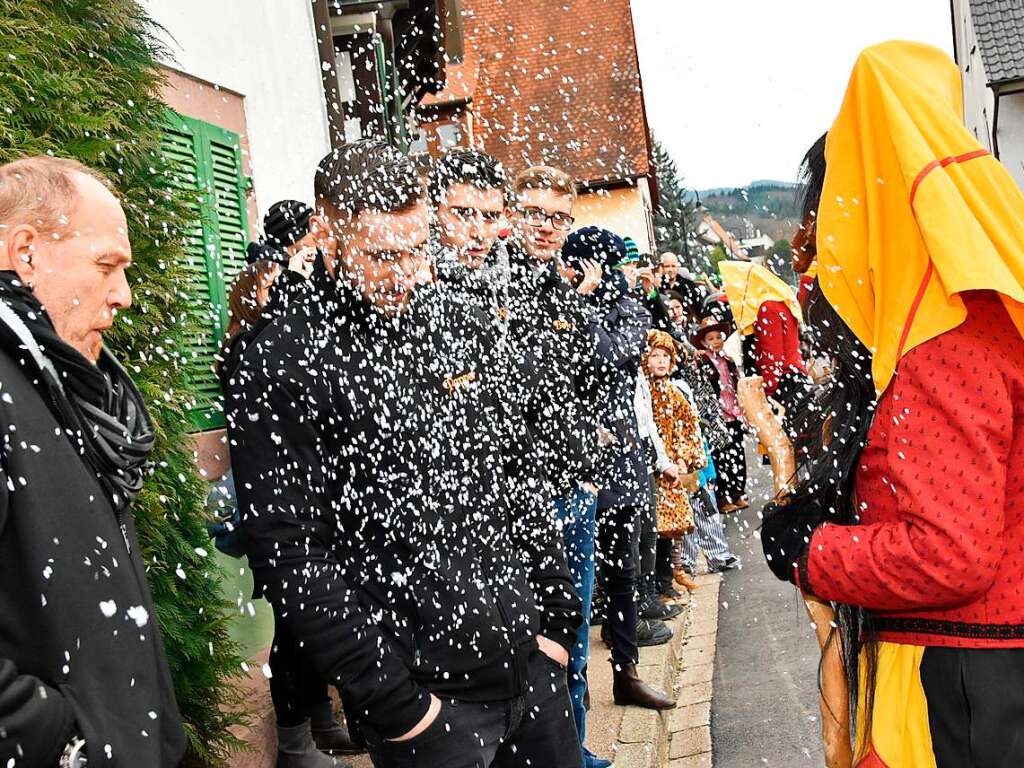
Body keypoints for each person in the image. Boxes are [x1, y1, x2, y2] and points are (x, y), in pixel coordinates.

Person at [225, 140, 582, 768]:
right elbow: (289, 548)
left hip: (529, 670)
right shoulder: (283, 358)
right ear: (328, 239)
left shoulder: (453, 319)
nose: (410, 273)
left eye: (419, 249)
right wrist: (397, 707)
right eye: (385, 255)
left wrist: (553, 624)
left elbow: (515, 472)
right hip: (429, 706)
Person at [760, 41, 1024, 767]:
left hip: (958, 692)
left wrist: (812, 550)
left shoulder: (943, 339)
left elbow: (948, 557)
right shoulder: (986, 305)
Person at [0, 156, 185, 767]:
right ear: (25, 251)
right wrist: (62, 737)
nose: (123, 296)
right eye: (107, 266)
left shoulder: (54, 382)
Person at [219, 260, 356, 768]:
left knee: (304, 633)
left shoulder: (293, 340)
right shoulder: (254, 349)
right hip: (274, 509)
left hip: (302, 505)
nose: (290, 287)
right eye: (276, 282)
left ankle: (319, 723)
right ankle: (297, 744)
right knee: (294, 632)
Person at [503, 164, 609, 768]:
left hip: (571, 485)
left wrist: (587, 460)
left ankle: (578, 746)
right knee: (546, 639)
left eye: (558, 218)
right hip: (525, 493)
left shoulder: (558, 289)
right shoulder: (498, 289)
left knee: (575, 635)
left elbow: (580, 385)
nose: (547, 228)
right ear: (515, 212)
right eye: (536, 214)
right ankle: (560, 750)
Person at [563, 226, 675, 711]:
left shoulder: (628, 309)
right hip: (572, 458)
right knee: (574, 582)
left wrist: (583, 308)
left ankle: (626, 674)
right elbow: (560, 367)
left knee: (624, 574)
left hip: (621, 460)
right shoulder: (555, 304)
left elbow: (610, 358)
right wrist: (575, 306)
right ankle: (575, 684)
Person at [643, 331, 704, 597]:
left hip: (670, 472)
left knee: (671, 530)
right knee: (654, 532)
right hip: (652, 468)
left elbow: (689, 426)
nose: (660, 362)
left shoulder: (674, 392)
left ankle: (668, 579)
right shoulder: (644, 391)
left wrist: (682, 457)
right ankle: (658, 583)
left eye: (665, 357)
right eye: (654, 356)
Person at [719, 259, 811, 436]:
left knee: (785, 450)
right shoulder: (779, 302)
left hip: (784, 384)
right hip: (794, 379)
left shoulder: (767, 308)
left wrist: (767, 391)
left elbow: (773, 356)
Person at [692, 318, 748, 512]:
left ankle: (737, 492)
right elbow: (703, 391)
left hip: (733, 415)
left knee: (738, 456)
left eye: (718, 337)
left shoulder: (728, 360)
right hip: (717, 417)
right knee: (721, 458)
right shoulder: (701, 362)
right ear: (702, 342)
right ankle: (723, 497)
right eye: (711, 338)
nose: (716, 341)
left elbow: (736, 385)